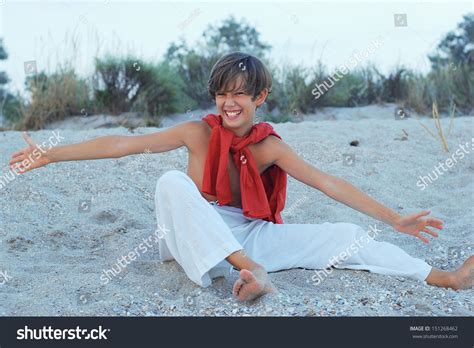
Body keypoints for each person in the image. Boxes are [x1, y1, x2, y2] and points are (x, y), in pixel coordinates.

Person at [9, 52, 473, 302]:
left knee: (344, 236)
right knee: (172, 183)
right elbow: (122, 145)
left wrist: (394, 219)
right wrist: (51, 155)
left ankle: (444, 278)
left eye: (241, 96)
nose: (230, 104)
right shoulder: (196, 133)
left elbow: (327, 182)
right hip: (189, 239)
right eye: (223, 94)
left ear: (261, 97)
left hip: (247, 237)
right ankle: (253, 273)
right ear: (214, 96)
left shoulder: (269, 145)